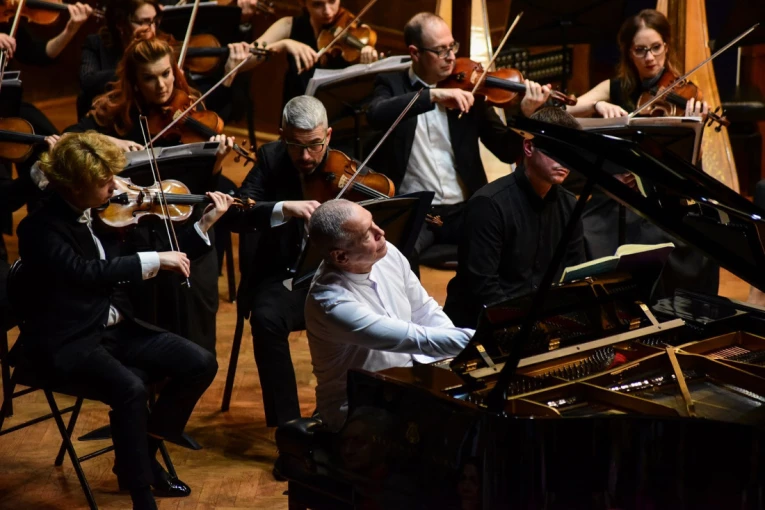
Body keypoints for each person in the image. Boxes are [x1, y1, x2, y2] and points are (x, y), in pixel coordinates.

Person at [14, 132, 233, 510]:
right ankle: (141, 495)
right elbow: (83, 273)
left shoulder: (103, 213)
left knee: (199, 362)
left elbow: (154, 260)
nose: (116, 187)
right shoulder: (39, 229)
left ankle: (141, 456)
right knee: (131, 388)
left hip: (114, 329)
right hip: (68, 339)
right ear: (75, 186)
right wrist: (154, 260)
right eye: (105, 182)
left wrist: (204, 225)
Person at [68, 34, 238, 353]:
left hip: (181, 216)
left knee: (197, 297)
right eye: (149, 78)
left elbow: (199, 185)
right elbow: (68, 140)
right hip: (133, 222)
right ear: (134, 80)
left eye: (166, 73)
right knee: (151, 302)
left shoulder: (190, 107)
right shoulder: (114, 113)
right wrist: (110, 142)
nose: (161, 85)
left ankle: (195, 360)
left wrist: (216, 162)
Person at [365, 12, 551, 276]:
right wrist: (432, 95)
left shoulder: (468, 89)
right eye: (441, 51)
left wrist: (526, 116)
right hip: (418, 211)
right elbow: (376, 114)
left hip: (465, 209)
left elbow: (506, 151)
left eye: (452, 47)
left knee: (518, 239)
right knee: (397, 254)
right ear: (415, 53)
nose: (451, 57)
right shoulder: (392, 84)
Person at [565, 8, 718, 298]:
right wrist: (596, 105)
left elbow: (689, 164)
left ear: (666, 47)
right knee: (585, 230)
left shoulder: (685, 94)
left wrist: (696, 124)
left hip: (661, 201)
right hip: (616, 198)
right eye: (641, 50)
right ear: (628, 52)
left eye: (656, 48)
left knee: (689, 239)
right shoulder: (614, 88)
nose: (650, 57)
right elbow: (563, 112)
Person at [304, 199, 474, 431]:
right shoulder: (332, 303)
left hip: (407, 384)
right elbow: (413, 338)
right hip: (360, 407)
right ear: (341, 256)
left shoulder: (387, 253)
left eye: (373, 222)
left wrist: (456, 360)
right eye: (367, 234)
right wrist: (482, 342)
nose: (381, 232)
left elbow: (424, 310)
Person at [223, 95, 329, 428]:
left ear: (328, 136)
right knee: (266, 319)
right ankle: (289, 428)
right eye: (296, 146)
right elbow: (237, 212)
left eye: (315, 145)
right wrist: (284, 208)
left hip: (332, 275)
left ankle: (345, 413)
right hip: (282, 276)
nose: (306, 156)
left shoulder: (345, 168)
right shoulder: (270, 159)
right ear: (283, 136)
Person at [443, 107, 586, 328]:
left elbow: (575, 272)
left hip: (539, 321)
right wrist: (526, 326)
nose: (564, 161)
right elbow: (483, 286)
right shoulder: (488, 204)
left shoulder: (569, 204)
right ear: (528, 147)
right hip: (483, 324)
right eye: (556, 150)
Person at [78, 0, 254, 121]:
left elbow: (202, 109)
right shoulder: (96, 44)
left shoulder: (164, 49)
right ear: (121, 23)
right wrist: (133, 67)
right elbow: (87, 81)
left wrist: (228, 74)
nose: (152, 30)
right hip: (115, 122)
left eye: (155, 21)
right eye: (144, 22)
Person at [252, 0, 380, 107]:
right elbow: (249, 55)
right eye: (317, 4)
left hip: (336, 112)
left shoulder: (356, 28)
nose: (327, 11)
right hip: (297, 110)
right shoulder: (288, 25)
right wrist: (283, 44)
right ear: (303, 3)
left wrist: (367, 66)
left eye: (332, 1)